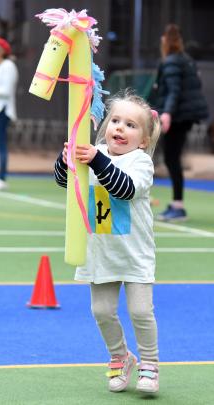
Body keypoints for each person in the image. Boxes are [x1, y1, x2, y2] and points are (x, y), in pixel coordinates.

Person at [54, 90, 161, 395]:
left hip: (134, 255)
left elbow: (124, 188)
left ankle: (150, 363)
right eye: (115, 120)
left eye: (130, 125)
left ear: (143, 139)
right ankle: (120, 356)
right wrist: (65, 162)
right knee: (101, 311)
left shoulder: (141, 162)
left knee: (140, 311)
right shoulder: (95, 153)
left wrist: (96, 159)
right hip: (100, 253)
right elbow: (66, 184)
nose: (119, 128)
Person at [154, 24, 209, 221]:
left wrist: (167, 113)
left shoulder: (171, 62)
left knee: (171, 159)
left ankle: (178, 206)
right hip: (185, 116)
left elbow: (174, 91)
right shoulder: (187, 61)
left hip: (177, 117)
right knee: (172, 158)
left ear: (165, 41)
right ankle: (177, 204)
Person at [0, 37, 18, 190]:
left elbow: (5, 92)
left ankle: (2, 178)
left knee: (1, 144)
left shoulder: (8, 66)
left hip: (3, 111)